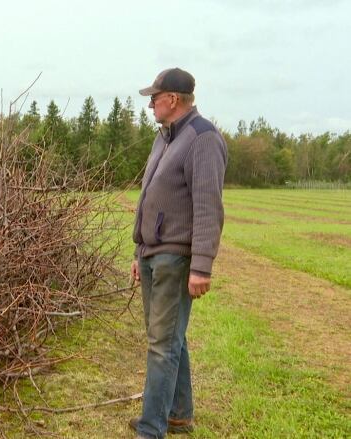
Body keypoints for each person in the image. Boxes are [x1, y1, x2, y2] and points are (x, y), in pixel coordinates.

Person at [129, 68, 228, 439]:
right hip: (153, 254)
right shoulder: (165, 138)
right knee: (171, 337)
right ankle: (179, 414)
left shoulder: (202, 139)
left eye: (154, 97)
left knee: (162, 345)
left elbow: (208, 207)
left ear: (172, 99)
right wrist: (140, 253)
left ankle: (150, 429)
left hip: (176, 257)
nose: (150, 104)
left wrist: (201, 266)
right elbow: (148, 200)